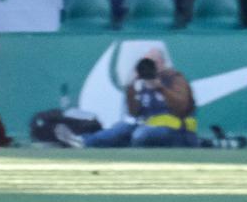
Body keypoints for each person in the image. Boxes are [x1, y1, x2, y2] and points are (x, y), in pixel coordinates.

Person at [61, 52, 200, 148]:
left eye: (153, 62)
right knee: (121, 127)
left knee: (140, 134)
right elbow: (134, 113)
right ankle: (82, 141)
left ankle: (123, 143)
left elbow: (182, 105)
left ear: (162, 63)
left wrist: (161, 88)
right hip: (146, 126)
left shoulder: (175, 79)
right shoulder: (144, 83)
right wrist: (131, 87)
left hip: (175, 130)